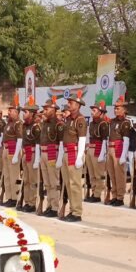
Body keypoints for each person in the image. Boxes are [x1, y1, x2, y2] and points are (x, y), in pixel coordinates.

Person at [59, 91, 88, 222]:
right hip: (66, 152)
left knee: (75, 184)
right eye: (68, 102)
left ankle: (77, 212)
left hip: (74, 153)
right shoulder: (69, 119)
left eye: (71, 102)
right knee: (68, 183)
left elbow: (82, 139)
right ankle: (72, 209)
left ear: (77, 104)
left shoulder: (80, 120)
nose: (68, 104)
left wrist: (79, 157)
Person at [106, 96, 134, 206]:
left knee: (119, 174)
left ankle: (120, 196)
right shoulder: (112, 121)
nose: (115, 109)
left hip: (119, 148)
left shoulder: (125, 122)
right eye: (115, 108)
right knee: (112, 174)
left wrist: (123, 155)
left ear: (124, 110)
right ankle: (114, 195)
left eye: (118, 108)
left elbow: (126, 139)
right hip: (110, 148)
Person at [39, 98, 63, 217]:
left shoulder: (58, 124)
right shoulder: (45, 123)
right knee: (47, 183)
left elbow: (62, 142)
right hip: (43, 153)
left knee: (54, 182)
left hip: (53, 153)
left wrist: (59, 159)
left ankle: (54, 207)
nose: (44, 111)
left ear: (53, 109)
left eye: (46, 109)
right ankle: (49, 205)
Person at [19, 97, 42, 213]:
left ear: (32, 114)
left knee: (32, 181)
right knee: (26, 180)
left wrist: (37, 159)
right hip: (25, 154)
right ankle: (27, 201)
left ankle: (32, 203)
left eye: (26, 112)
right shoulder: (25, 125)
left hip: (33, 155)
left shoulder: (35, 127)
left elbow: (38, 144)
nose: (24, 114)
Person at [1, 99, 23, 207]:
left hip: (13, 150)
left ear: (17, 112)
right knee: (7, 175)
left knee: (14, 175)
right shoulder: (9, 123)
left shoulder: (18, 123)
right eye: (9, 110)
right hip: (5, 149)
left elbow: (19, 139)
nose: (9, 112)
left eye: (12, 110)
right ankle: (9, 197)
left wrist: (16, 154)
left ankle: (14, 198)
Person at [86, 102, 110, 203]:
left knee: (98, 174)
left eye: (94, 110)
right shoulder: (91, 123)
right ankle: (94, 191)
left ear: (100, 112)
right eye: (92, 110)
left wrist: (102, 154)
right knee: (91, 173)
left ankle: (97, 194)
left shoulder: (103, 124)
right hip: (90, 149)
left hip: (98, 149)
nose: (92, 112)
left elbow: (105, 140)